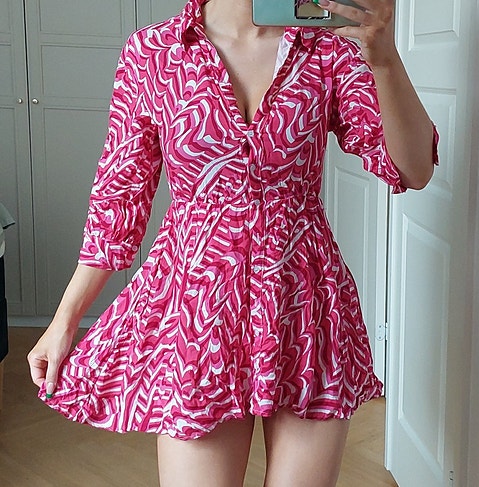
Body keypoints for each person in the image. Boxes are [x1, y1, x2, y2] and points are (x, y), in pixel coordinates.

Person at [27, 0, 438, 485]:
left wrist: (384, 57)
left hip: (305, 310)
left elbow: (413, 169)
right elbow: (118, 201)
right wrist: (64, 321)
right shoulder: (154, 52)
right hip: (198, 318)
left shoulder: (328, 49)